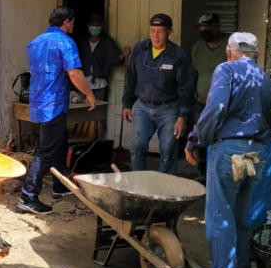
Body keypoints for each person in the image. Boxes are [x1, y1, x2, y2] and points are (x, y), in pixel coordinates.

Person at [185, 32, 271, 268]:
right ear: (253, 53)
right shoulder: (265, 79)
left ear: (231, 51)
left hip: (229, 152)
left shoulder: (226, 70)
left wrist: (195, 139)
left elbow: (214, 108)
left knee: (220, 219)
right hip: (256, 154)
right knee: (241, 219)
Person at [19, 6, 96, 215]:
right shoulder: (65, 42)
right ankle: (28, 196)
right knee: (46, 151)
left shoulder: (35, 42)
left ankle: (59, 187)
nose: (73, 26)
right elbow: (73, 72)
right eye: (72, 23)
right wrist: (89, 94)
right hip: (53, 104)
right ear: (67, 22)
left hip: (38, 101)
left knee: (60, 142)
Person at [121, 13, 195, 174]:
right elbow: (131, 78)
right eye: (152, 30)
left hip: (169, 109)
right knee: (137, 147)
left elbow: (186, 89)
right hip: (143, 106)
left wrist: (182, 116)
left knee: (168, 151)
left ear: (170, 31)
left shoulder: (179, 56)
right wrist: (127, 104)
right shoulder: (140, 49)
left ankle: (164, 192)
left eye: (160, 31)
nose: (155, 35)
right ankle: (138, 186)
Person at [77, 13, 130, 101]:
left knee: (99, 111)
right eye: (92, 25)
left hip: (100, 84)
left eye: (97, 25)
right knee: (82, 110)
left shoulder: (107, 42)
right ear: (88, 26)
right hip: (83, 83)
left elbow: (114, 60)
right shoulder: (82, 42)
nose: (95, 27)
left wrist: (123, 54)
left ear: (101, 27)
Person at [191, 13, 229, 117]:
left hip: (223, 103)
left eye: (207, 28)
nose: (204, 31)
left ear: (217, 26)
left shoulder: (230, 45)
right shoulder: (198, 47)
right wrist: (193, 89)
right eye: (201, 28)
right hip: (201, 103)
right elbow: (194, 71)